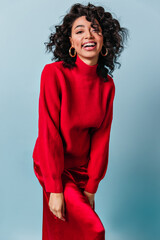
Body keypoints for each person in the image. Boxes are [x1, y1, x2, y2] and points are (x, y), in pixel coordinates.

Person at [32, 2, 129, 240]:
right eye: (79, 31)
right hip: (53, 167)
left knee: (62, 231)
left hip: (83, 171)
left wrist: (91, 186)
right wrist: (54, 187)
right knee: (93, 230)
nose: (88, 35)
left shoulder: (107, 85)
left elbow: (101, 139)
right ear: (72, 43)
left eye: (95, 29)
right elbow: (49, 133)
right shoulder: (54, 74)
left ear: (104, 39)